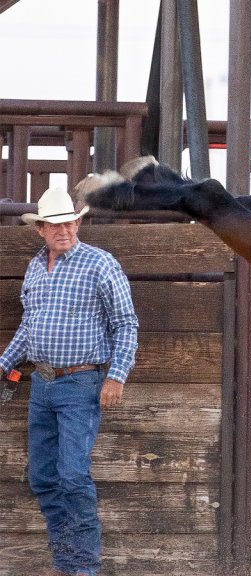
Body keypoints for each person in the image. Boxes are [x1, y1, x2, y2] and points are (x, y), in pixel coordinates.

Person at [0, 186, 138, 576]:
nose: (64, 230)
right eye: (55, 224)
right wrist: (3, 363)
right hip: (42, 383)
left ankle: (83, 567)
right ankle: (67, 561)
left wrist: (116, 375)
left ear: (78, 222)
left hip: (81, 382)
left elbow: (126, 323)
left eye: (70, 222)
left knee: (73, 475)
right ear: (39, 229)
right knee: (44, 476)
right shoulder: (34, 268)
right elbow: (29, 328)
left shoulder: (100, 264)